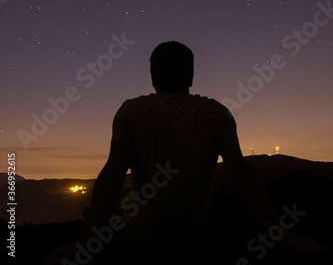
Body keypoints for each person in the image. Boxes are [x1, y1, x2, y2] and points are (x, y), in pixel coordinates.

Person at [45, 41, 327, 263]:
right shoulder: (217, 113)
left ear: (152, 74)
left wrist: (84, 242)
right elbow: (241, 173)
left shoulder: (131, 111)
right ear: (191, 74)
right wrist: (277, 232)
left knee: (109, 203)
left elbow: (113, 174)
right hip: (192, 230)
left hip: (141, 234)